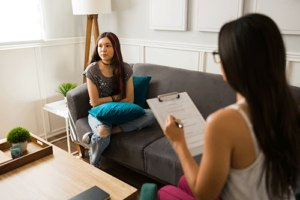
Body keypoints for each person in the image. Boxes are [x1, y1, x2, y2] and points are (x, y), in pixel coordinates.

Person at [158, 14, 300, 200]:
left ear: (233, 61)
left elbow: (203, 194)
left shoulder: (223, 122)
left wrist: (179, 143)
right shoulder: (292, 108)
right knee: (185, 181)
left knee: (163, 192)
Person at [82, 32, 155, 169]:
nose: (103, 49)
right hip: (99, 114)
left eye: (107, 46)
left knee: (151, 115)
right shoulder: (92, 70)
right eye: (100, 46)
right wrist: (116, 97)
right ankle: (94, 164)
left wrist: (110, 101)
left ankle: (96, 135)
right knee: (103, 131)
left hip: (121, 113)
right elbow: (95, 102)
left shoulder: (125, 68)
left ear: (115, 48)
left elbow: (130, 100)